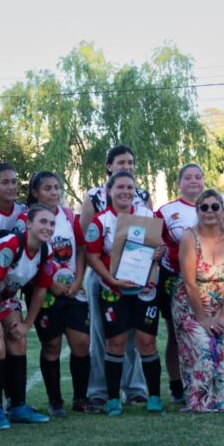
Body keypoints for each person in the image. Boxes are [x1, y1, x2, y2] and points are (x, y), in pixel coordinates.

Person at [85, 170, 166, 415]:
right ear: (109, 191)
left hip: (144, 291)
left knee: (146, 341)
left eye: (130, 187)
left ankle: (154, 397)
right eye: (120, 187)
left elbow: (158, 247)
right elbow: (92, 257)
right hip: (113, 291)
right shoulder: (100, 221)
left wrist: (159, 252)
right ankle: (112, 399)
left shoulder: (147, 216)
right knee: (116, 342)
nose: (125, 192)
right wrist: (111, 280)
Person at [0, 204, 56, 428]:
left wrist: (27, 324)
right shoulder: (10, 246)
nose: (48, 227)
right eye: (43, 222)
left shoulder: (46, 251)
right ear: (28, 224)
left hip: (4, 298)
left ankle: (18, 406)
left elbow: (41, 290)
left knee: (19, 341)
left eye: (52, 223)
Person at [80, 145, 151, 410]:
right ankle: (99, 390)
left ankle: (135, 388)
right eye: (121, 162)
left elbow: (150, 236)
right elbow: (88, 242)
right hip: (103, 277)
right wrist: (108, 276)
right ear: (109, 166)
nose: (127, 166)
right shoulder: (93, 197)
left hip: (136, 277)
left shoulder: (142, 196)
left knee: (135, 334)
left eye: (130, 162)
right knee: (102, 335)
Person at [172, 188, 224, 412]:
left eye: (215, 206)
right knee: (203, 347)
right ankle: (201, 400)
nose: (210, 211)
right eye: (204, 207)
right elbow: (189, 282)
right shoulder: (189, 237)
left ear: (222, 210)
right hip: (191, 303)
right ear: (197, 211)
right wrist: (203, 319)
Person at [26, 171, 91, 415]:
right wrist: (50, 284)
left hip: (73, 291)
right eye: (47, 188)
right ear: (35, 193)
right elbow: (27, 256)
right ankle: (55, 401)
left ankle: (81, 398)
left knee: (81, 343)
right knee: (52, 345)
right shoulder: (27, 219)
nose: (54, 192)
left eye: (56, 187)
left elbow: (81, 250)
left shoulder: (68, 215)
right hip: (45, 293)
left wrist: (78, 280)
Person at [155, 163, 205, 405]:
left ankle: (205, 380)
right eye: (188, 177)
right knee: (176, 334)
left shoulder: (213, 206)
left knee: (206, 331)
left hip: (207, 281)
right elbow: (153, 245)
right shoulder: (165, 212)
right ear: (179, 183)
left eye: (198, 176)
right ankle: (177, 386)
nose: (193, 180)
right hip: (173, 279)